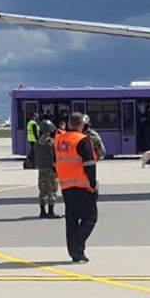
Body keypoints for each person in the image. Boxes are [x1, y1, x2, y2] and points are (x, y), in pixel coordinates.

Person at [56, 112, 98, 264]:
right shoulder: (83, 140)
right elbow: (89, 165)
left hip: (66, 185)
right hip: (82, 185)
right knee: (90, 217)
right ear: (81, 124)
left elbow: (56, 161)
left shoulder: (59, 139)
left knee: (71, 219)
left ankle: (74, 252)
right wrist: (92, 184)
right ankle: (77, 247)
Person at [35, 119, 60, 219]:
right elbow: (54, 155)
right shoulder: (51, 143)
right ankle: (51, 212)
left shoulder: (37, 143)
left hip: (41, 168)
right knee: (52, 189)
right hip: (50, 168)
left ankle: (42, 211)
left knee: (42, 189)